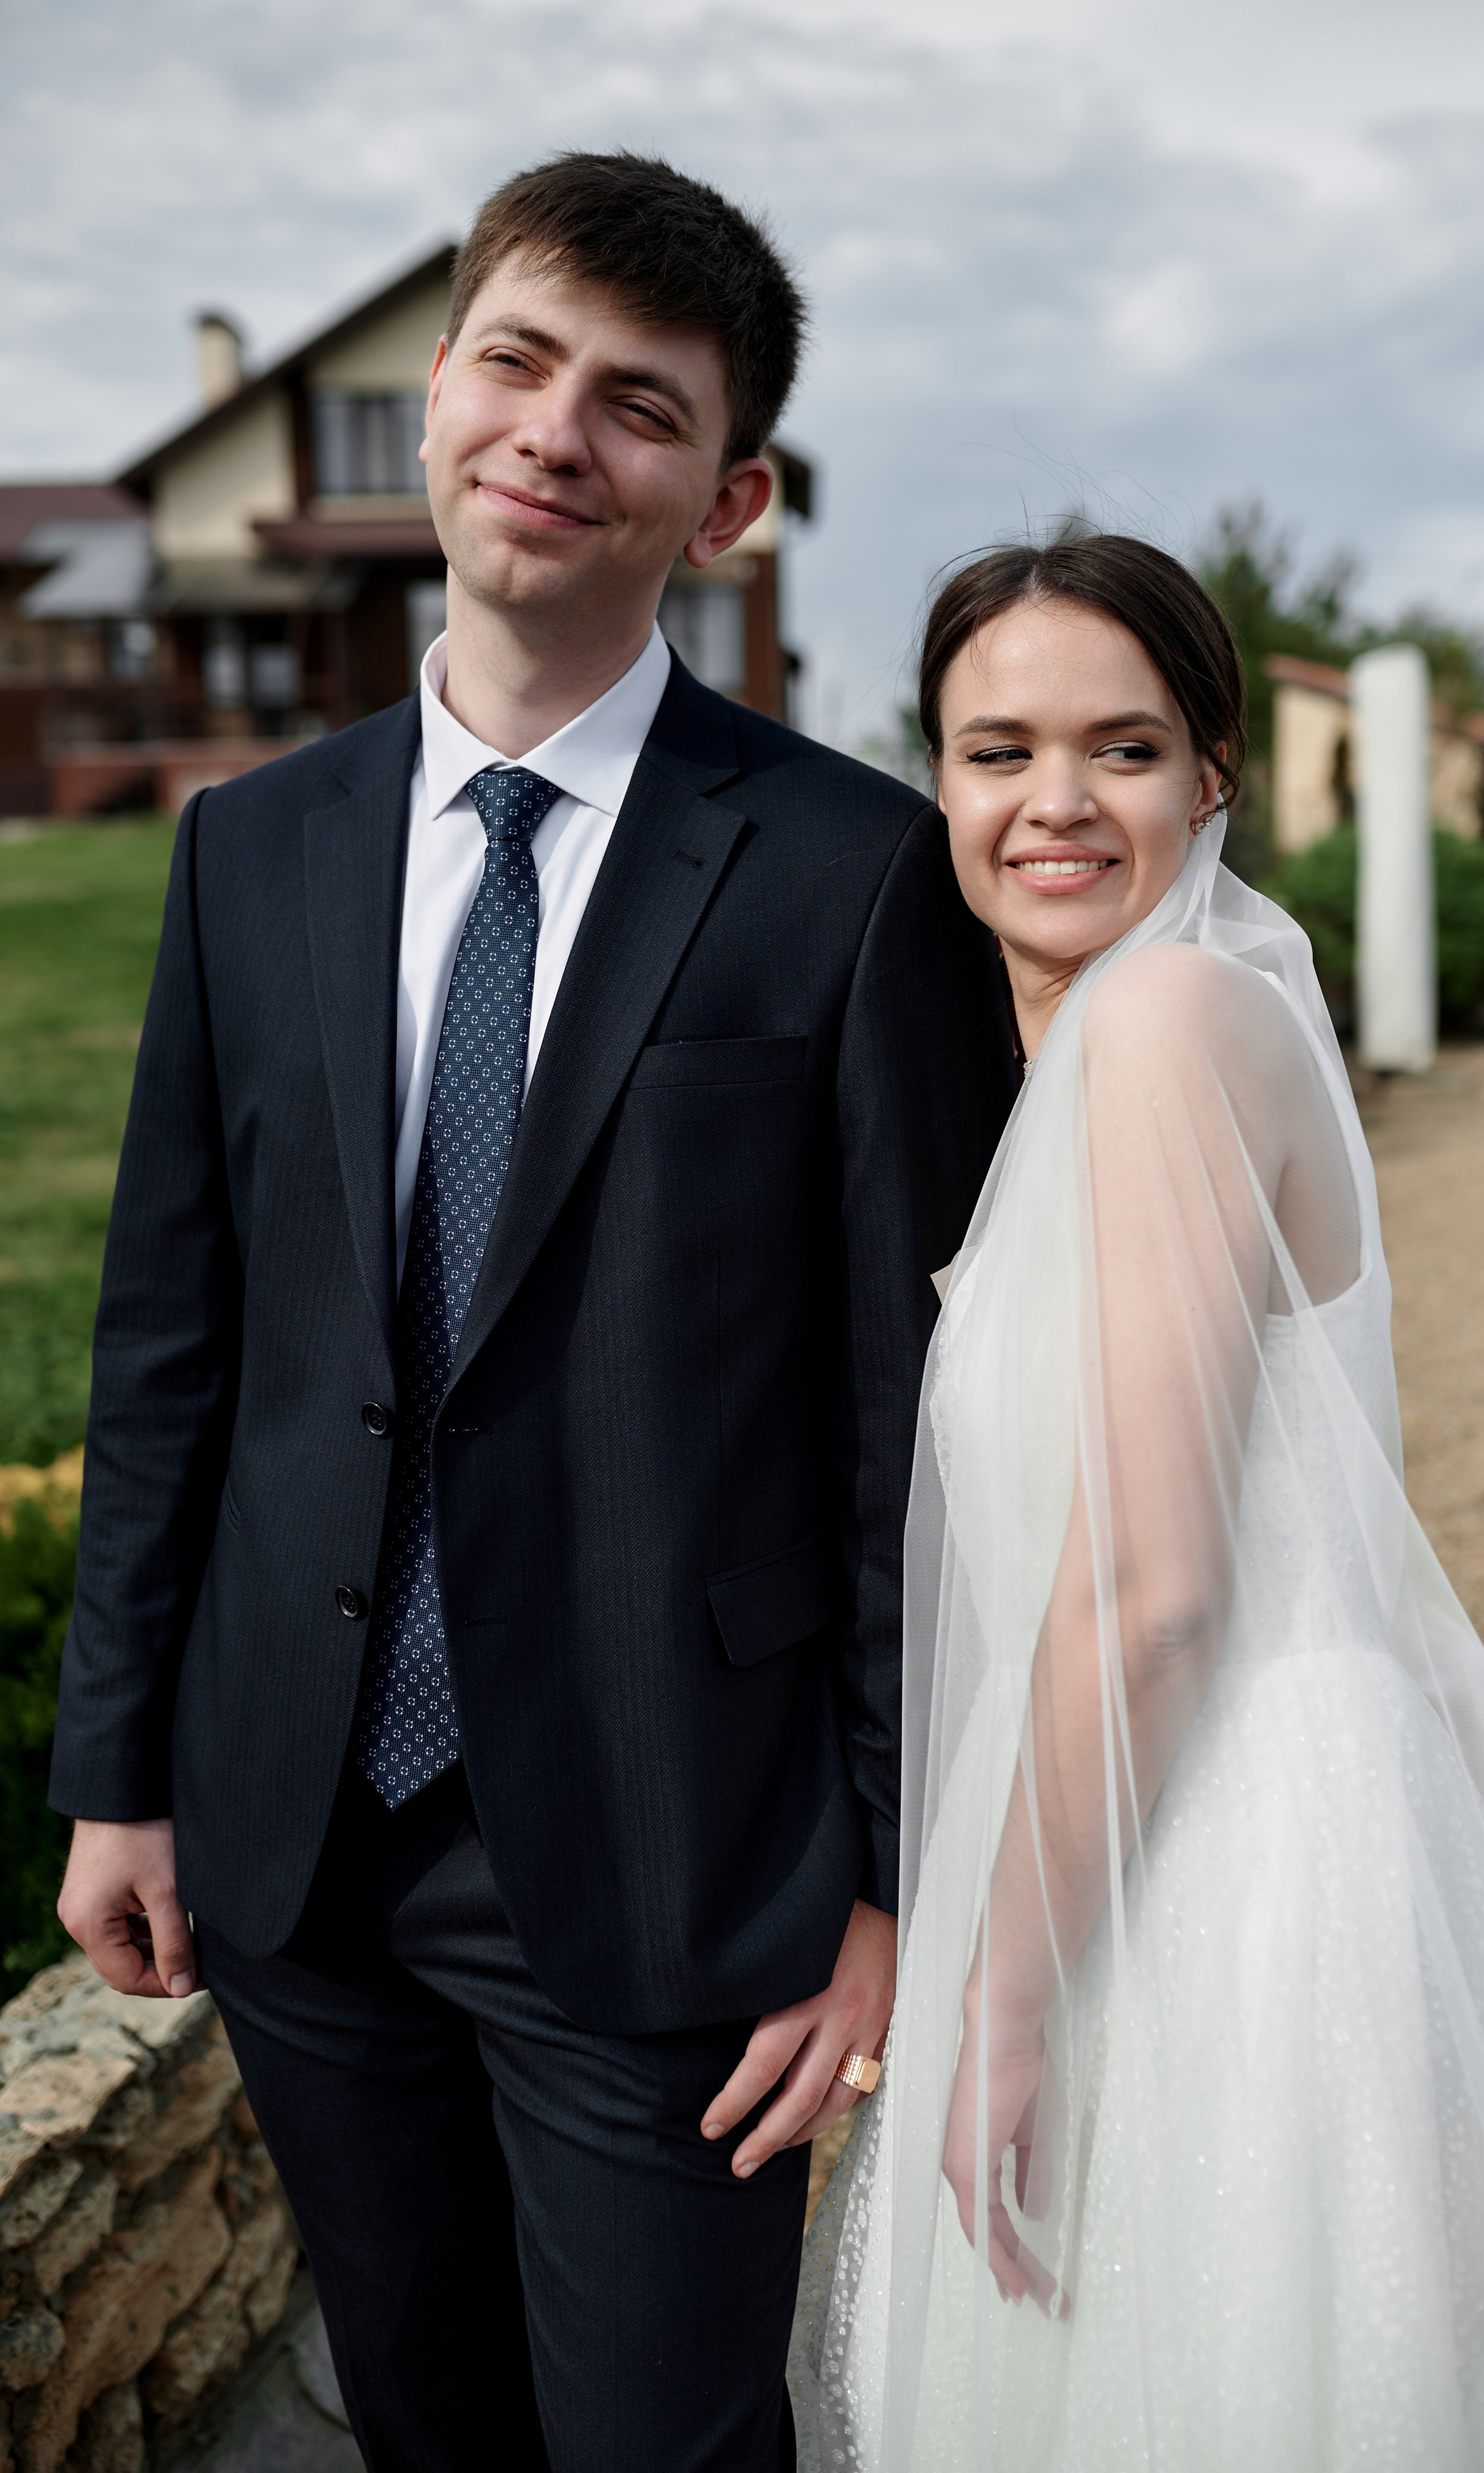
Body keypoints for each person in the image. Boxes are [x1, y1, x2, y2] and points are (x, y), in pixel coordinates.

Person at [50, 152, 1015, 2470]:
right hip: (293, 1845)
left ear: (727, 498)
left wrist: (896, 1894)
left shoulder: (854, 871)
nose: (553, 428)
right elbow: (173, 1334)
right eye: (514, 357)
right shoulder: (246, 846)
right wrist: (120, 1765)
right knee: (423, 2422)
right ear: (443, 393)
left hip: (681, 1865)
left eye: (641, 404)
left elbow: (920, 1434)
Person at [794, 534, 1484, 2470]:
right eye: (998, 749)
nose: (1058, 803)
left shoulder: (1167, 1033)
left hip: (1211, 1857)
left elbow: (1159, 1586)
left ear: (1216, 778)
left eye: (1125, 747)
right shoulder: (1144, 1031)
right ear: (935, 778)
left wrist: (1002, 1994)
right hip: (1184, 1804)